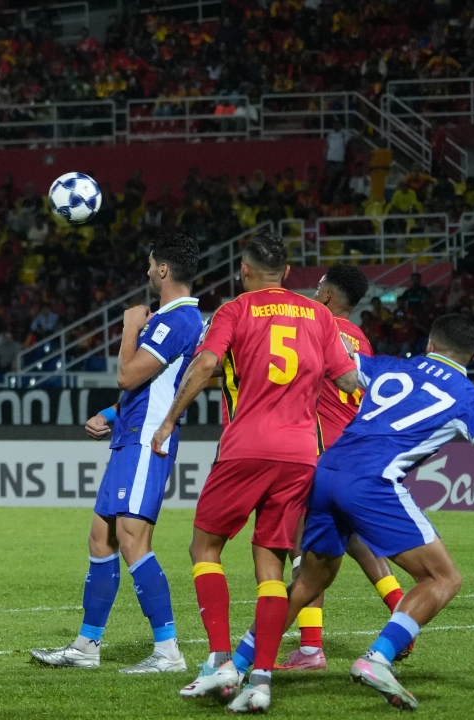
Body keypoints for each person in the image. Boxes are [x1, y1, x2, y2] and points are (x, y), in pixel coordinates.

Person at [150, 231, 358, 713]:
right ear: (287, 273)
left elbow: (205, 363)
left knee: (205, 547)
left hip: (246, 447)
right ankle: (260, 678)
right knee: (271, 564)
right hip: (300, 455)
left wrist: (169, 420)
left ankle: (220, 659)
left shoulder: (235, 310)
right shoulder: (320, 315)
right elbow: (349, 379)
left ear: (243, 270)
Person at [283, 313, 474, 710]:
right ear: (473, 357)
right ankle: (378, 657)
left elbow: (342, 370)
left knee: (308, 581)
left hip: (327, 469)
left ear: (430, 344)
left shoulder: (388, 365)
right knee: (443, 577)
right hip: (371, 482)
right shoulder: (471, 399)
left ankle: (242, 661)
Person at [30, 233, 202, 673]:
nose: (147, 272)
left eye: (150, 264)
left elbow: (127, 375)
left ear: (163, 269)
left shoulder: (177, 320)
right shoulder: (174, 319)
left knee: (131, 540)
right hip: (130, 434)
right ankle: (87, 645)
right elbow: (151, 386)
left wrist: (129, 328)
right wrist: (112, 412)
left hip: (148, 442)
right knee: (101, 538)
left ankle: (168, 651)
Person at [229, 264, 411, 674]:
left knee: (303, 547)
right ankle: (400, 606)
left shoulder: (313, 328)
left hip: (317, 452)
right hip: (354, 451)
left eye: (318, 288)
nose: (313, 294)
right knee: (353, 538)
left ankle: (310, 647)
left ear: (327, 296)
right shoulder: (360, 338)